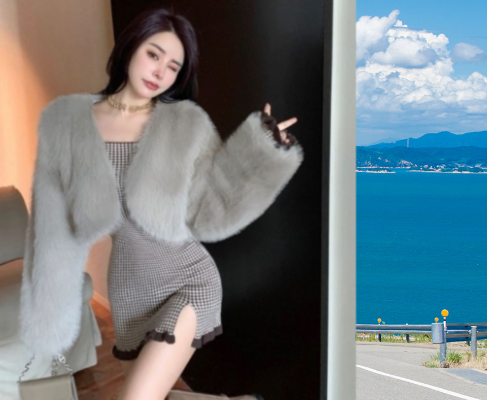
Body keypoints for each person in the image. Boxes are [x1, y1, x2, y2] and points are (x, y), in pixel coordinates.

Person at [19, 7, 303, 400]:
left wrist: (261, 150)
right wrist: (47, 313)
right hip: (128, 290)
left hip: (188, 278)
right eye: (154, 54)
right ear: (131, 47)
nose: (160, 72)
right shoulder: (66, 123)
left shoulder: (185, 125)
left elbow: (211, 206)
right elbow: (50, 224)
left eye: (173, 66)